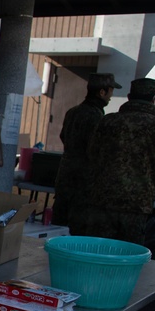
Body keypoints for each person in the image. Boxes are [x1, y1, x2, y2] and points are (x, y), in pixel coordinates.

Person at [73, 77, 155, 244]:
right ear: (154, 99)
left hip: (102, 199)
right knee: (127, 256)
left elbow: (92, 153)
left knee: (96, 252)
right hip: (136, 204)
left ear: (129, 97)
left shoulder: (107, 121)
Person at [52, 72, 122, 228]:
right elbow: (98, 149)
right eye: (110, 91)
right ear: (102, 92)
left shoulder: (73, 111)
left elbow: (63, 136)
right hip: (84, 182)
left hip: (65, 177)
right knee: (78, 231)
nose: (111, 96)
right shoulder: (96, 117)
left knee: (58, 228)